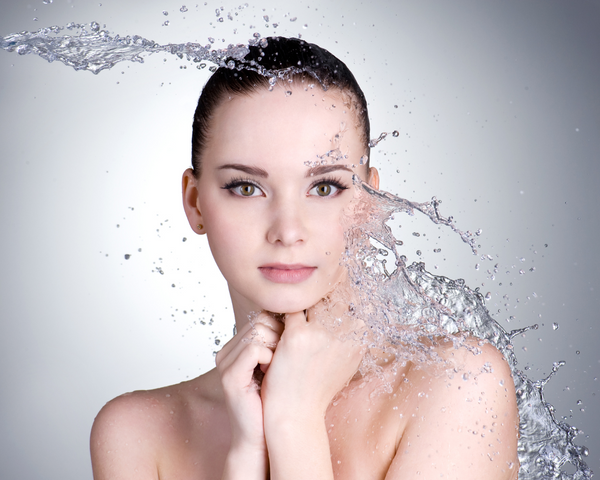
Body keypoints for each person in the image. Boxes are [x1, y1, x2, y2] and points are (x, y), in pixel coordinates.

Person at [90, 37, 519, 480]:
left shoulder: (458, 385)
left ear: (369, 201)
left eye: (324, 187)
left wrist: (294, 419)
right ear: (195, 202)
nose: (288, 231)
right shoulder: (137, 433)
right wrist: (246, 457)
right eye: (245, 187)